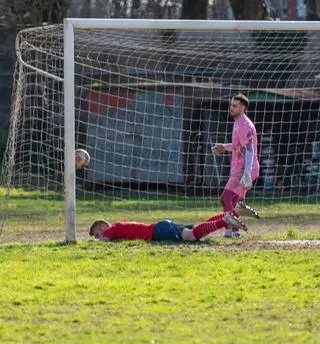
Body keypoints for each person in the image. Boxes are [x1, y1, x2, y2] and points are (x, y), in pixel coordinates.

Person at [212, 93, 261, 237]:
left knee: (226, 198)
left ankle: (230, 231)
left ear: (244, 108)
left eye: (235, 106)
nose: (231, 108)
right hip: (243, 168)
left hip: (244, 169)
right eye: (231, 105)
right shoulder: (238, 122)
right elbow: (238, 146)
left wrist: (246, 173)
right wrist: (224, 147)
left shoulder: (245, 125)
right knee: (233, 201)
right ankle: (233, 232)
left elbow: (250, 150)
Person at [88, 211, 247, 243]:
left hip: (158, 231)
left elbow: (104, 241)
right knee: (198, 231)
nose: (99, 236)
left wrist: (93, 242)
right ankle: (234, 212)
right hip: (160, 227)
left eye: (97, 233)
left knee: (192, 236)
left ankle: (225, 220)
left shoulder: (111, 229)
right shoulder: (117, 228)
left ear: (103, 226)